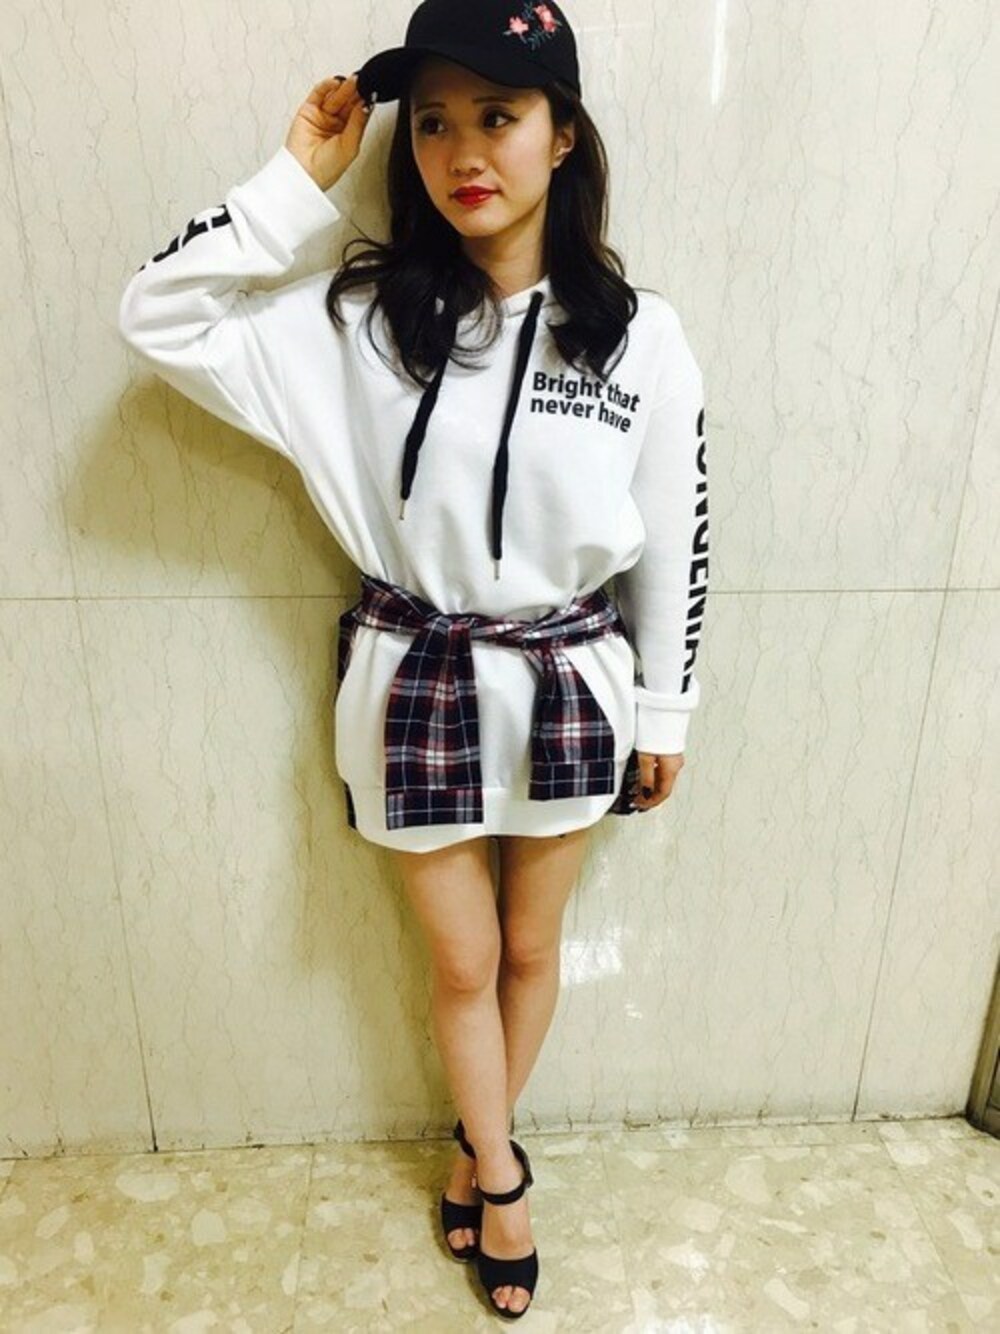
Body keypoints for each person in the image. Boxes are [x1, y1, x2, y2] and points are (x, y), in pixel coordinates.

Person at [118, 0, 708, 1317]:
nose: (462, 150)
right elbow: (156, 316)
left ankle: (475, 1152)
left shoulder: (639, 336)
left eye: (499, 114)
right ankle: (503, 1175)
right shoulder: (357, 321)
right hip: (417, 674)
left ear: (563, 135)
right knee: (460, 962)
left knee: (533, 950)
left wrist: (669, 708)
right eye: (433, 122)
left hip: (572, 677)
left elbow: (675, 533)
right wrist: (295, 179)